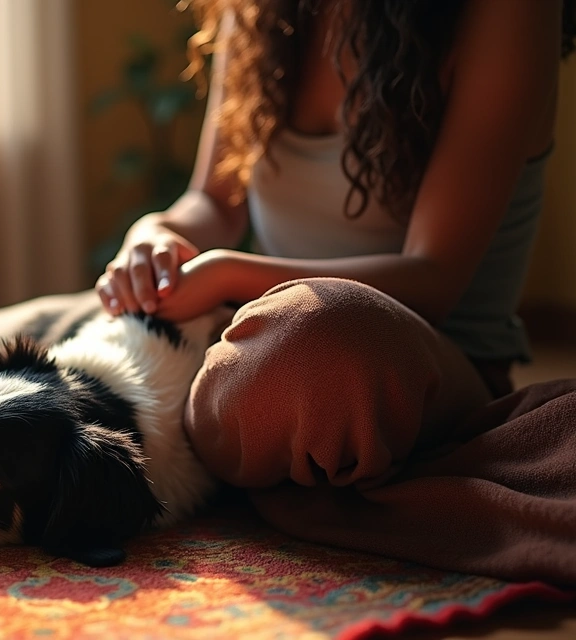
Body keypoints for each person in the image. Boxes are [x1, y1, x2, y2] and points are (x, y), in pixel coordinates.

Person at [96, 0, 576, 583]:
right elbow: (214, 201)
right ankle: (249, 427)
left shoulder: (508, 14)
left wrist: (225, 276)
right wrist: (153, 236)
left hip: (413, 359)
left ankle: (244, 427)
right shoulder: (256, 12)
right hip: (253, 338)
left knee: (310, 336)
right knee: (50, 343)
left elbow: (433, 277)